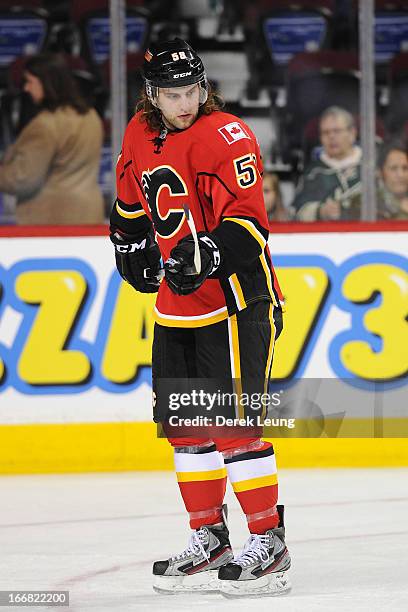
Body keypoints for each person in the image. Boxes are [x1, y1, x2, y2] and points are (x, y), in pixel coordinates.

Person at [109, 39, 291, 598]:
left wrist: (209, 250)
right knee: (186, 428)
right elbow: (130, 201)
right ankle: (210, 536)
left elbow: (251, 224)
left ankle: (270, 541)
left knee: (236, 426)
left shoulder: (228, 135)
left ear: (204, 87)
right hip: (179, 306)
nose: (184, 102)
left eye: (192, 90)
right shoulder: (140, 132)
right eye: (172, 93)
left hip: (237, 300)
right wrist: (128, 240)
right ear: (152, 95)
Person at [0, 53, 104, 225]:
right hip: (89, 216)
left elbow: (23, 179)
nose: (26, 88)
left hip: (51, 222)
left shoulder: (45, 125)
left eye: (30, 81)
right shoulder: (90, 116)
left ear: (47, 83)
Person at [292, 106, 362, 221]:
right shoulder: (313, 173)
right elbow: (296, 211)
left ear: (352, 133)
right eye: (326, 133)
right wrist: (320, 211)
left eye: (337, 131)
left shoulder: (370, 165)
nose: (331, 137)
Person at [377, 142, 408, 220]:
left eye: (405, 168)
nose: (401, 175)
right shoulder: (370, 206)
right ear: (380, 173)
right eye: (393, 168)